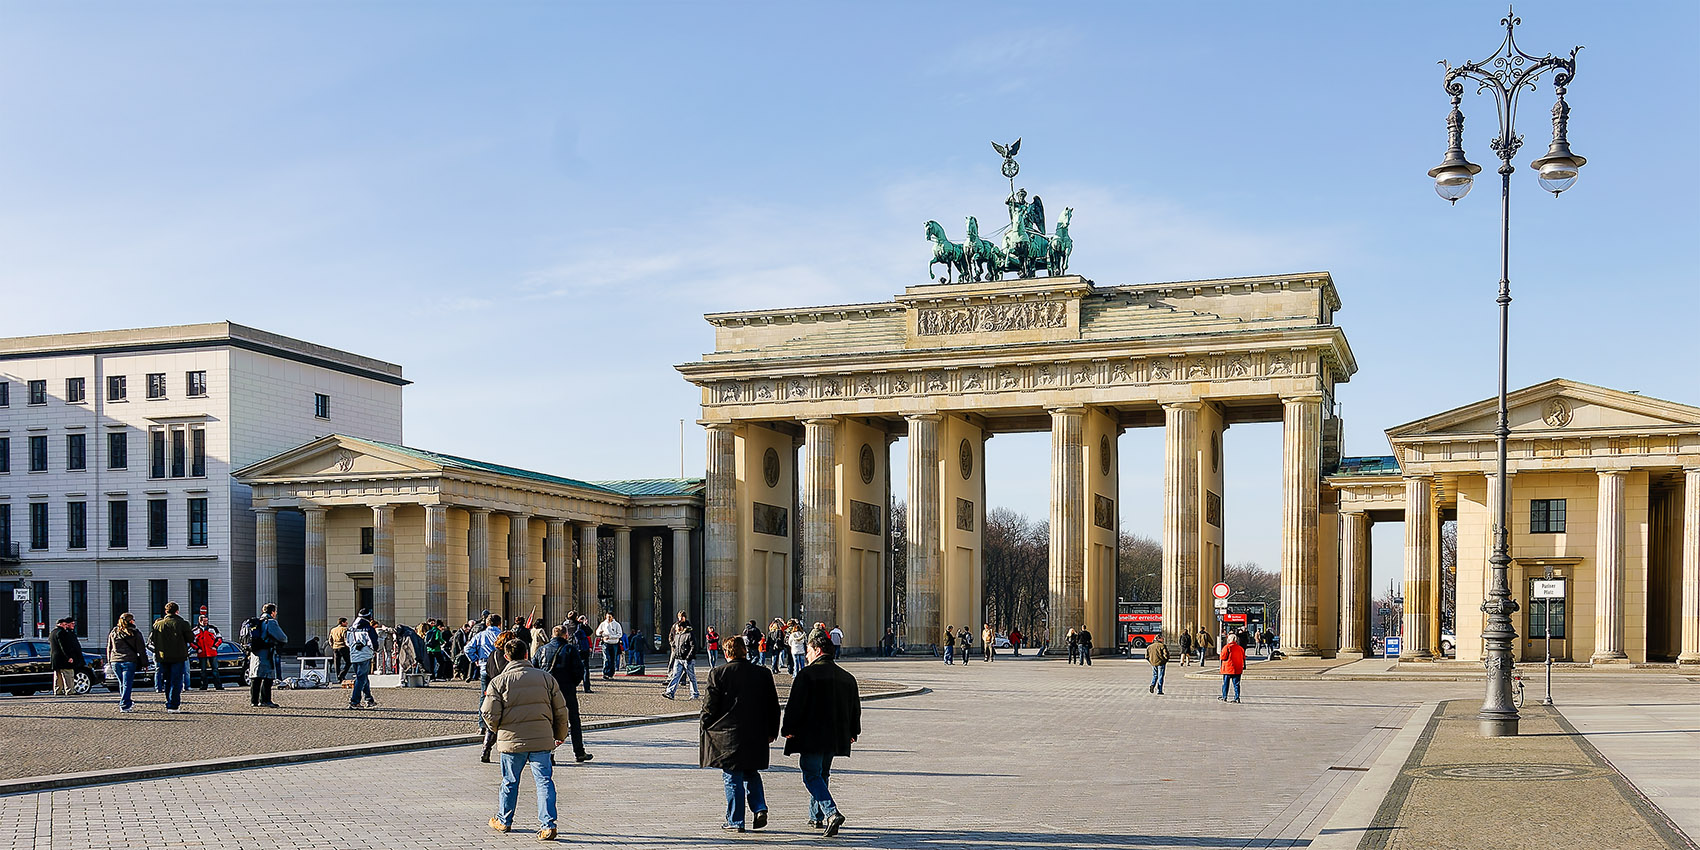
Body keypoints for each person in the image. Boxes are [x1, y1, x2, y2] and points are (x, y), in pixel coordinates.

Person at [481, 639, 570, 841]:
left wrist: (498, 730)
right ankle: (548, 825)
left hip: (512, 741)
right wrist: (560, 734)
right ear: (527, 655)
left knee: (510, 781)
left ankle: (504, 820)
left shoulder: (499, 682)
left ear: (506, 657)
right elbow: (561, 710)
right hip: (541, 738)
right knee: (544, 782)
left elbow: (487, 712)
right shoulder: (546, 678)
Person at [701, 629, 780, 833]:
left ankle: (736, 820)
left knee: (732, 776)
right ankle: (760, 807)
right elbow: (773, 705)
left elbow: (710, 707)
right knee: (751, 771)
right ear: (745, 651)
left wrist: (705, 727)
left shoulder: (717, 674)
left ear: (726, 653)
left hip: (728, 734)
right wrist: (772, 731)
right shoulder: (763, 673)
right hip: (756, 732)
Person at [782, 632, 860, 837]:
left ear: (817, 650)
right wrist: (853, 731)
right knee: (823, 774)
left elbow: (795, 706)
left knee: (810, 774)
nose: (806, 656)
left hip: (812, 735)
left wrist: (788, 728)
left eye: (808, 651)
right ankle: (815, 816)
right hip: (835, 736)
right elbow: (855, 708)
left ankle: (831, 812)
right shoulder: (847, 677)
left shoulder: (807, 675)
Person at [535, 625, 594, 764]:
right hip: (566, 690)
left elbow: (535, 669)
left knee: (549, 722)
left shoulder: (541, 650)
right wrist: (572, 683)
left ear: (552, 635)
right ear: (565, 635)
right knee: (574, 721)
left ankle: (550, 753)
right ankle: (579, 752)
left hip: (547, 691)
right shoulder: (570, 649)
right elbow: (579, 671)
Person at [149, 602, 195, 713]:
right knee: (176, 680)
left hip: (163, 656)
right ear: (177, 611)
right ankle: (173, 705)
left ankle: (169, 702)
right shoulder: (183, 624)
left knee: (167, 680)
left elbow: (152, 640)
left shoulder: (158, 625)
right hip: (178, 656)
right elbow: (190, 638)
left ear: (166, 611)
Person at [107, 612, 149, 712]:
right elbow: (141, 650)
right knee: (127, 683)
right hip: (129, 660)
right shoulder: (135, 632)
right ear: (130, 621)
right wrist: (145, 663)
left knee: (122, 683)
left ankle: (126, 701)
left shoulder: (114, 632)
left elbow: (109, 647)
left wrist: (110, 661)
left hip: (115, 661)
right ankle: (124, 704)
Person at [248, 603, 288, 708]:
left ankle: (254, 701)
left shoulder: (257, 622)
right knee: (268, 677)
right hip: (266, 652)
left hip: (255, 652)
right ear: (272, 612)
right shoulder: (270, 622)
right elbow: (282, 637)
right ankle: (265, 700)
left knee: (255, 677)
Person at [345, 614, 377, 710]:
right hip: (365, 655)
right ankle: (354, 701)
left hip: (354, 656)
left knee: (363, 677)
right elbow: (373, 643)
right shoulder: (368, 629)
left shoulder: (350, 629)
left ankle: (369, 699)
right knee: (361, 678)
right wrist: (373, 650)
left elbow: (347, 642)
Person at [663, 619, 700, 700]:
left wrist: (688, 657)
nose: (675, 629)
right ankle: (670, 692)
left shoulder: (689, 635)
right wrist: (676, 653)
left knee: (691, 677)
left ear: (681, 627)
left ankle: (695, 694)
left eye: (676, 627)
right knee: (675, 676)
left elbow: (694, 646)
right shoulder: (677, 635)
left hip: (687, 660)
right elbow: (675, 646)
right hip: (678, 659)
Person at [49, 617, 86, 696]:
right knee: (68, 675)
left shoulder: (52, 633)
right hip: (63, 658)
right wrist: (69, 657)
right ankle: (70, 690)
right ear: (61, 624)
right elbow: (64, 646)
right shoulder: (62, 633)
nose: (66, 626)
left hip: (55, 658)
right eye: (65, 624)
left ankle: (57, 691)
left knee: (57, 676)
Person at [192, 614, 224, 690]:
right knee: (203, 671)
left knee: (215, 670)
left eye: (207, 621)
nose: (206, 622)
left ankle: (218, 686)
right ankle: (203, 686)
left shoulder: (213, 629)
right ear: (200, 621)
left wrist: (215, 646)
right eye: (204, 621)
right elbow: (191, 642)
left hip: (212, 652)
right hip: (202, 653)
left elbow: (219, 639)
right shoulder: (195, 631)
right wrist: (197, 649)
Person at [1219, 633, 1246, 703]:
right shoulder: (1240, 648)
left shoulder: (1227, 647)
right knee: (1236, 684)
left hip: (1228, 668)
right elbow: (1244, 657)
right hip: (1237, 669)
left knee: (1225, 683)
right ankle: (1237, 697)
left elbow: (1223, 657)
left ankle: (1224, 696)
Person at [595, 614, 623, 680]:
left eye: (609, 617)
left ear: (612, 617)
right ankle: (605, 673)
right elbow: (597, 632)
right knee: (606, 658)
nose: (608, 618)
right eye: (607, 617)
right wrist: (600, 632)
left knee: (613, 659)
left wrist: (610, 637)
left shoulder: (617, 624)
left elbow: (620, 634)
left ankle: (611, 674)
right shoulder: (603, 624)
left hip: (614, 643)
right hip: (606, 643)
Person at [572, 614, 594, 693]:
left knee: (570, 668)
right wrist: (585, 623)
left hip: (570, 648)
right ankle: (586, 688)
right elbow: (590, 632)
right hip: (582, 649)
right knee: (585, 669)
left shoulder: (566, 624)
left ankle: (572, 686)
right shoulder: (581, 626)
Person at [329, 617, 351, 681]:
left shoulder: (333, 629)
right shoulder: (345, 629)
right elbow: (346, 639)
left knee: (337, 663)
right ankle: (342, 674)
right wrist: (349, 646)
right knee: (348, 662)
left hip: (335, 647)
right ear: (342, 623)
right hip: (343, 647)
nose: (347, 623)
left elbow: (330, 639)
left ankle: (339, 678)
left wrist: (332, 646)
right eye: (346, 622)